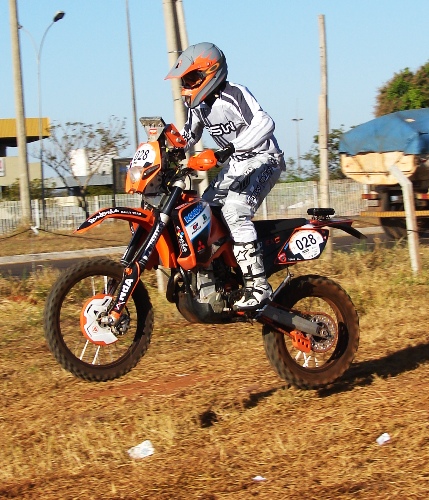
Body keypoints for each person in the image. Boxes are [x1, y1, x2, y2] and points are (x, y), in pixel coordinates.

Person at [165, 42, 286, 310]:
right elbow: (188, 137)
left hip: (264, 159)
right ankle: (215, 280)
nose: (187, 85)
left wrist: (230, 148)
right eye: (185, 80)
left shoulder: (234, 94)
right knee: (200, 213)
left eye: (191, 78)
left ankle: (258, 285)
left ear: (212, 72)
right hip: (235, 165)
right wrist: (167, 144)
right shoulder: (197, 107)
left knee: (234, 210)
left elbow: (265, 122)